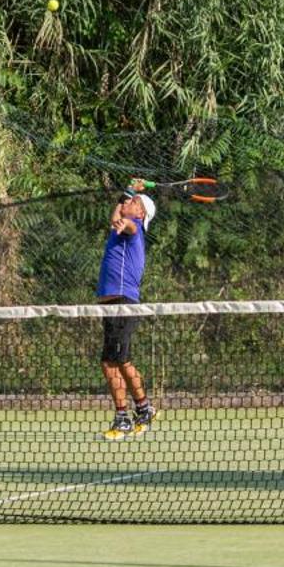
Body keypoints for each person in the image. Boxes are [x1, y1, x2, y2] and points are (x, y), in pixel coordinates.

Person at [97, 180, 157, 440]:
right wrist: (130, 190)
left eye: (134, 204)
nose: (127, 205)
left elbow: (128, 223)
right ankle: (143, 409)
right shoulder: (117, 231)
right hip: (112, 304)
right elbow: (117, 215)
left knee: (114, 362)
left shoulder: (134, 232)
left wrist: (127, 219)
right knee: (116, 361)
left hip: (123, 303)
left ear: (141, 214)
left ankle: (124, 417)